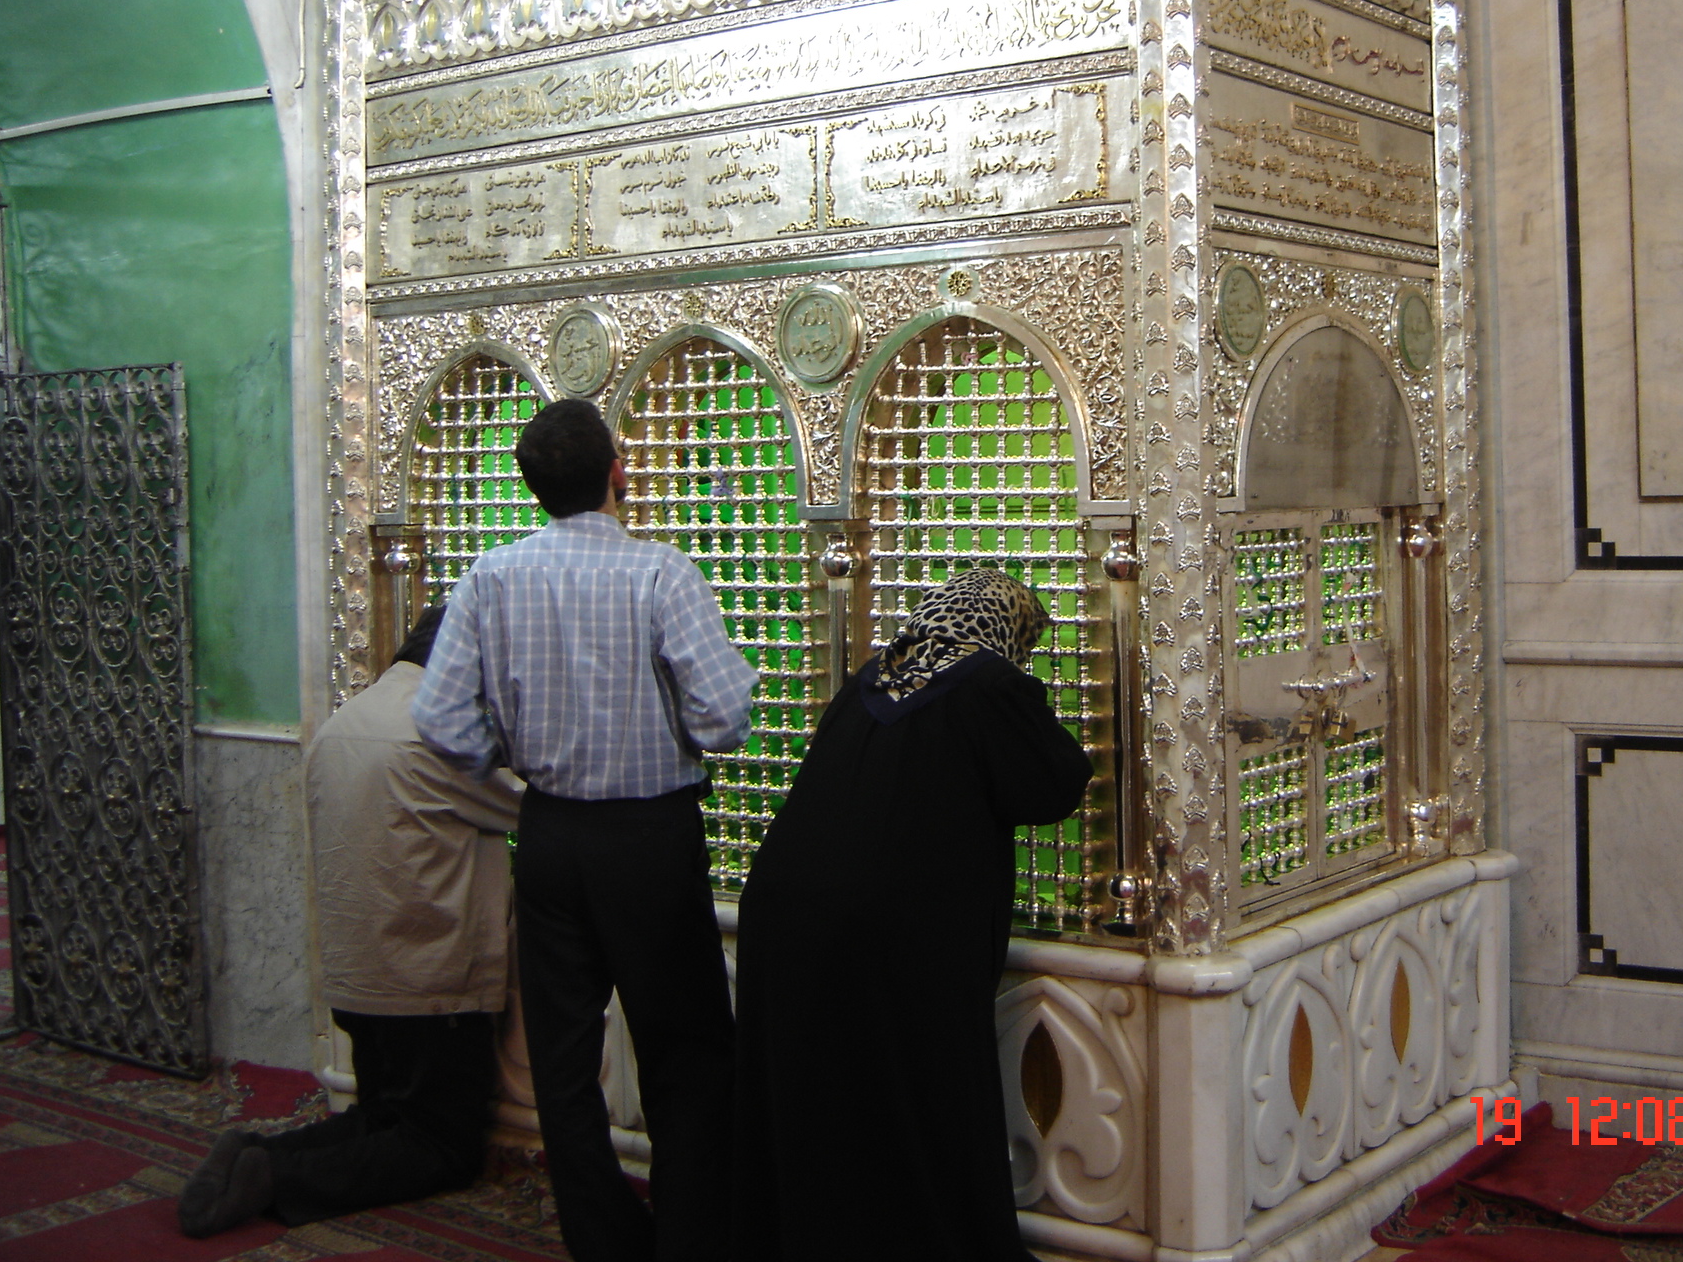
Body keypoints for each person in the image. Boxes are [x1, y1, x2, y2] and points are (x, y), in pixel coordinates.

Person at [411, 397, 757, 1262]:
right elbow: (724, 717)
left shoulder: (491, 577)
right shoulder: (660, 574)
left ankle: (607, 1245)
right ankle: (690, 1242)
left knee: (562, 1067)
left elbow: (442, 722)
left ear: (534, 487)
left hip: (553, 836)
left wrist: (519, 748)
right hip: (649, 841)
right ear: (616, 473)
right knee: (686, 1056)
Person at [732, 568, 1093, 1262]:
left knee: (826, 1099)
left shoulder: (872, 676)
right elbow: (1055, 783)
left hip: (786, 913)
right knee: (917, 1100)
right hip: (887, 933)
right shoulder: (989, 683)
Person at [177, 605, 523, 1239]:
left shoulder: (345, 721)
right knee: (441, 1146)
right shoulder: (443, 732)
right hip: (429, 980)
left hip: (357, 975)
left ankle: (256, 1153)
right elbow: (530, 805)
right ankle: (277, 1180)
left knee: (382, 1116)